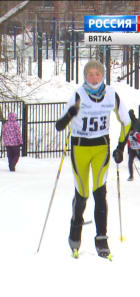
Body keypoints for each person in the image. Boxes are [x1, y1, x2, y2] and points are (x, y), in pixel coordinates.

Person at [55, 59, 131, 259]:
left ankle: (101, 239)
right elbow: (60, 124)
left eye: (97, 74)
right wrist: (69, 116)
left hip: (101, 147)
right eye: (90, 74)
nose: (94, 77)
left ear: (103, 76)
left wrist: (120, 147)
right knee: (82, 192)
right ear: (85, 76)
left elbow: (126, 121)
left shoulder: (111, 94)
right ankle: (75, 230)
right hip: (80, 147)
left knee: (100, 191)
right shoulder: (78, 95)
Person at [127, 110, 140, 181]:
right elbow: (128, 143)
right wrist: (129, 149)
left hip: (138, 149)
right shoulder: (129, 135)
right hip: (132, 149)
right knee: (130, 162)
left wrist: (136, 140)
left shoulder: (136, 134)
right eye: (130, 131)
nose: (131, 132)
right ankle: (131, 176)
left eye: (131, 131)